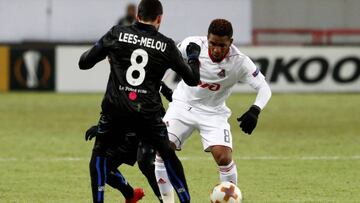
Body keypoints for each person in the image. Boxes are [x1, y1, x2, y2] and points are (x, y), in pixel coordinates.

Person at [78, 0, 200, 202]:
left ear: (137, 15)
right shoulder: (166, 45)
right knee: (167, 154)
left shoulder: (116, 33)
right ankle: (184, 200)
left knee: (99, 153)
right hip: (148, 113)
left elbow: (84, 62)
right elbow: (192, 79)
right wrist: (194, 57)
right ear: (160, 19)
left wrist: (105, 48)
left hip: (116, 109)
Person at [154, 19, 272, 203]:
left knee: (223, 157)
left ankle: (230, 200)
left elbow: (264, 88)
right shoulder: (190, 45)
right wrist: (161, 85)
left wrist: (255, 110)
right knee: (162, 149)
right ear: (207, 38)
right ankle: (167, 201)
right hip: (182, 105)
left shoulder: (240, 62)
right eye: (213, 43)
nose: (217, 49)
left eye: (222, 45)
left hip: (214, 112)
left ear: (230, 42)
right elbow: (166, 61)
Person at [84, 82, 173, 203]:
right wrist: (102, 127)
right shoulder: (117, 74)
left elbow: (159, 84)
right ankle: (130, 195)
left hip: (150, 124)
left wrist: (173, 99)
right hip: (127, 129)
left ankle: (165, 200)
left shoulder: (139, 70)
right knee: (101, 166)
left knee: (146, 163)